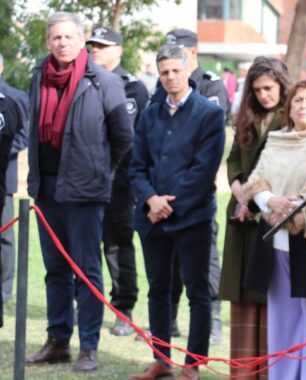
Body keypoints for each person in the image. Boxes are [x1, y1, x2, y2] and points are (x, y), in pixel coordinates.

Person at [24, 11, 133, 372]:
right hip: (47, 188)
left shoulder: (103, 82)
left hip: (86, 190)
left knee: (86, 270)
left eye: (69, 37)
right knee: (55, 270)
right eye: (56, 37)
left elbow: (123, 138)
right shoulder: (37, 77)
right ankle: (58, 341)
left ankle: (88, 346)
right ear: (48, 42)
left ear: (80, 40)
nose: (62, 43)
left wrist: (103, 171)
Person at [128, 44, 225, 380]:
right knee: (158, 289)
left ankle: (193, 364)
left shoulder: (209, 114)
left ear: (188, 70)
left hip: (193, 217)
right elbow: (136, 166)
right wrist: (150, 201)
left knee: (196, 291)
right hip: (151, 219)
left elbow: (203, 170)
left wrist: (168, 205)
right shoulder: (148, 114)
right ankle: (161, 360)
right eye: (164, 71)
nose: (170, 77)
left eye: (176, 71)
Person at [240, 80, 306, 379]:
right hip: (275, 242)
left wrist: (296, 206)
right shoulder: (277, 140)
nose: (303, 105)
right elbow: (256, 179)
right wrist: (270, 200)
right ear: (289, 108)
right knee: (281, 323)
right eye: (297, 101)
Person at [153, 28, 229, 344]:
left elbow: (204, 137)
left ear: (192, 53)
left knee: (203, 259)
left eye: (178, 56)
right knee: (166, 261)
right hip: (162, 191)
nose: (171, 72)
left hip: (196, 192)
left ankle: (212, 320)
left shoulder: (211, 86)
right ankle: (167, 322)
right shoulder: (161, 88)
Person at [219, 56, 291, 379]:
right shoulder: (248, 117)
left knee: (270, 297)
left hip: (274, 216)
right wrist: (242, 197)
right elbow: (234, 161)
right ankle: (245, 374)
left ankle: (270, 374)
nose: (263, 95)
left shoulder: (290, 117)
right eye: (257, 89)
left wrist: (256, 200)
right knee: (244, 296)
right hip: (242, 215)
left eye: (269, 88)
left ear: (281, 84)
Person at [86, 26, 149, 337]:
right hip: (85, 178)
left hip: (120, 181)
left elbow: (135, 139)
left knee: (117, 244)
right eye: (93, 45)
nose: (95, 50)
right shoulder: (83, 82)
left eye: (102, 45)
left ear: (118, 50)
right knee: (83, 243)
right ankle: (85, 303)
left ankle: (123, 307)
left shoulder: (133, 88)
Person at [0, 52, 29, 306]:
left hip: (3, 177)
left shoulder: (16, 98)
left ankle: (4, 288)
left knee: (5, 235)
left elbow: (23, 136)